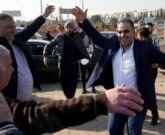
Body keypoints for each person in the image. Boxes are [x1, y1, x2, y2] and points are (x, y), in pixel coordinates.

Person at [72, 6, 165, 135]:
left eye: (126, 31)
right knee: (113, 130)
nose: (122, 35)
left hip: (137, 101)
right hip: (117, 99)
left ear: (134, 32)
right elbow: (96, 37)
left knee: (134, 132)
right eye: (120, 32)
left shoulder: (144, 47)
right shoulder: (113, 44)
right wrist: (84, 21)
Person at [0, 45, 144, 135]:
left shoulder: (3, 102)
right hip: (65, 68)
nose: (14, 70)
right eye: (10, 65)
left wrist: (98, 103)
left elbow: (34, 114)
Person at [0, 5, 55, 100]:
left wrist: (44, 15)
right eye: (9, 27)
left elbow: (30, 29)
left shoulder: (17, 39)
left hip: (25, 101)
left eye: (14, 27)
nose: (14, 30)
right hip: (10, 103)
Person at [43, 21, 90, 99]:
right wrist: (45, 55)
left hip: (74, 66)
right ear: (65, 29)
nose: (69, 29)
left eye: (71, 28)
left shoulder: (78, 35)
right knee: (64, 86)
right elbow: (48, 45)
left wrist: (81, 21)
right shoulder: (59, 37)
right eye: (67, 28)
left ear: (73, 29)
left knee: (72, 88)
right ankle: (70, 99)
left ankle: (70, 101)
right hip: (63, 66)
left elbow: (85, 30)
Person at [137, 27, 159, 125]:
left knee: (149, 93)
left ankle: (155, 114)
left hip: (151, 71)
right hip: (141, 72)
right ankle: (143, 110)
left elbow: (157, 59)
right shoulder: (138, 45)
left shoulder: (151, 45)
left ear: (142, 36)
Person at [79, 29, 96, 93]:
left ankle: (91, 87)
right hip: (83, 56)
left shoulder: (88, 33)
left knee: (89, 72)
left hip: (87, 55)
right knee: (85, 72)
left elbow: (91, 45)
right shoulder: (79, 34)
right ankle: (86, 88)